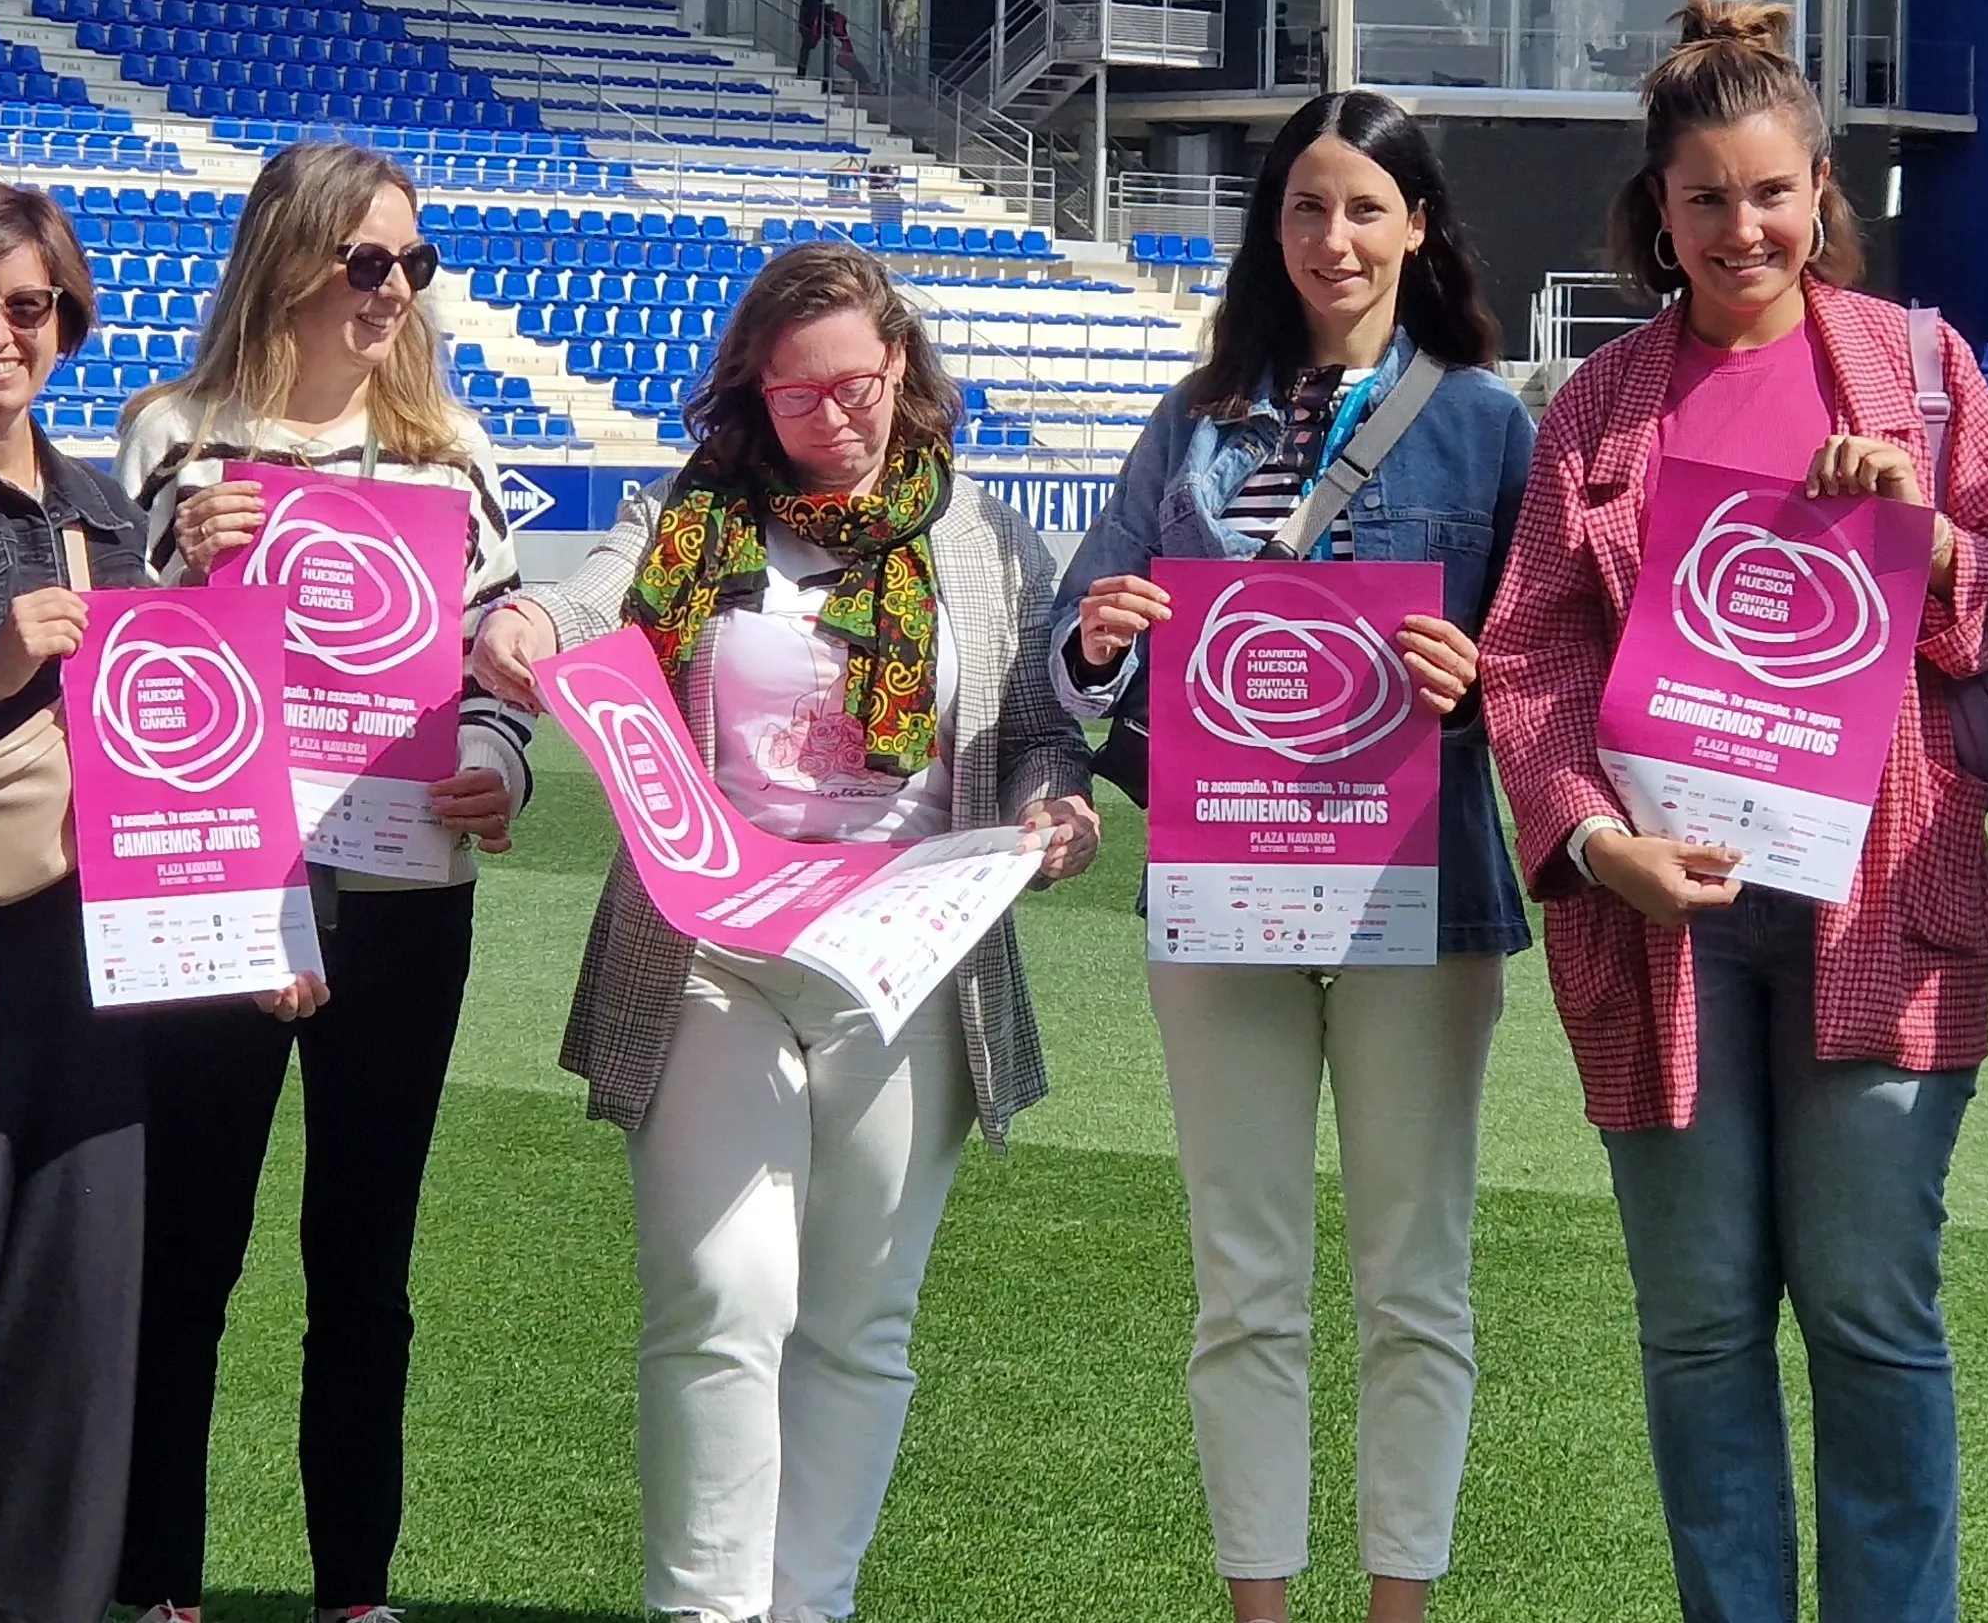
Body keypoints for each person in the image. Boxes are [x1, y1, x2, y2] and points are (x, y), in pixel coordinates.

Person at [1473, 0, 1988, 1623]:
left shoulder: (1922, 371)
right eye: (1708, 197)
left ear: (1824, 188)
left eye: (1774, 190)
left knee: (1875, 1318)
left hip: (1880, 903)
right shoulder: (1597, 405)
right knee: (1702, 1327)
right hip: (1668, 923)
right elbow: (1527, 658)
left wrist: (1937, 543)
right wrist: (1600, 845)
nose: (1746, 227)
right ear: (1654, 214)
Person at [473, 240, 1101, 1623]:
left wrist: (1061, 815)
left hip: (908, 956)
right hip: (710, 947)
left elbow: (1042, 732)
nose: (841, 418)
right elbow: (595, 608)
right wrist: (526, 619)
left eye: (863, 384)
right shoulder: (691, 518)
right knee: (717, 1296)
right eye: (802, 396)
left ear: (905, 371)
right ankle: (706, 1611)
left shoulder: (984, 540)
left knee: (861, 1324)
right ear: (755, 394)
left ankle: (810, 1604)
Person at [0, 180, 332, 1623]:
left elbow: (180, 752)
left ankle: (43, 1596)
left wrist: (260, 916)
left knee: (71, 1298)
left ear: (67, 321)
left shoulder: (102, 506)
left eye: (26, 307)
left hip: (79, 951)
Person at [1046, 89, 1531, 1623]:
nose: (1335, 237)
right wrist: (1099, 639)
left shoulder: (1489, 422)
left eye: (1367, 207)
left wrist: (1485, 679)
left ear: (1421, 228)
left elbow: (1553, 670)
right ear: (1275, 227)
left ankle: (1401, 1609)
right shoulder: (1193, 419)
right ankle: (1258, 1609)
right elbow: (1078, 649)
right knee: (1243, 1281)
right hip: (1224, 885)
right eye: (1309, 207)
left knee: (1414, 1281)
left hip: (1422, 891)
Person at [105, 142, 531, 1623]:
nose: (393, 293)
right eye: (366, 263)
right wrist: (171, 577)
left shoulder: (453, 457)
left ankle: (356, 1587)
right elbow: (124, 666)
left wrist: (500, 764)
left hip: (406, 898)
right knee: (185, 1251)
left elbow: (494, 671)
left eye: (413, 266)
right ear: (286, 258)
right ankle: (157, 1582)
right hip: (212, 886)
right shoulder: (172, 433)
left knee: (365, 1261)